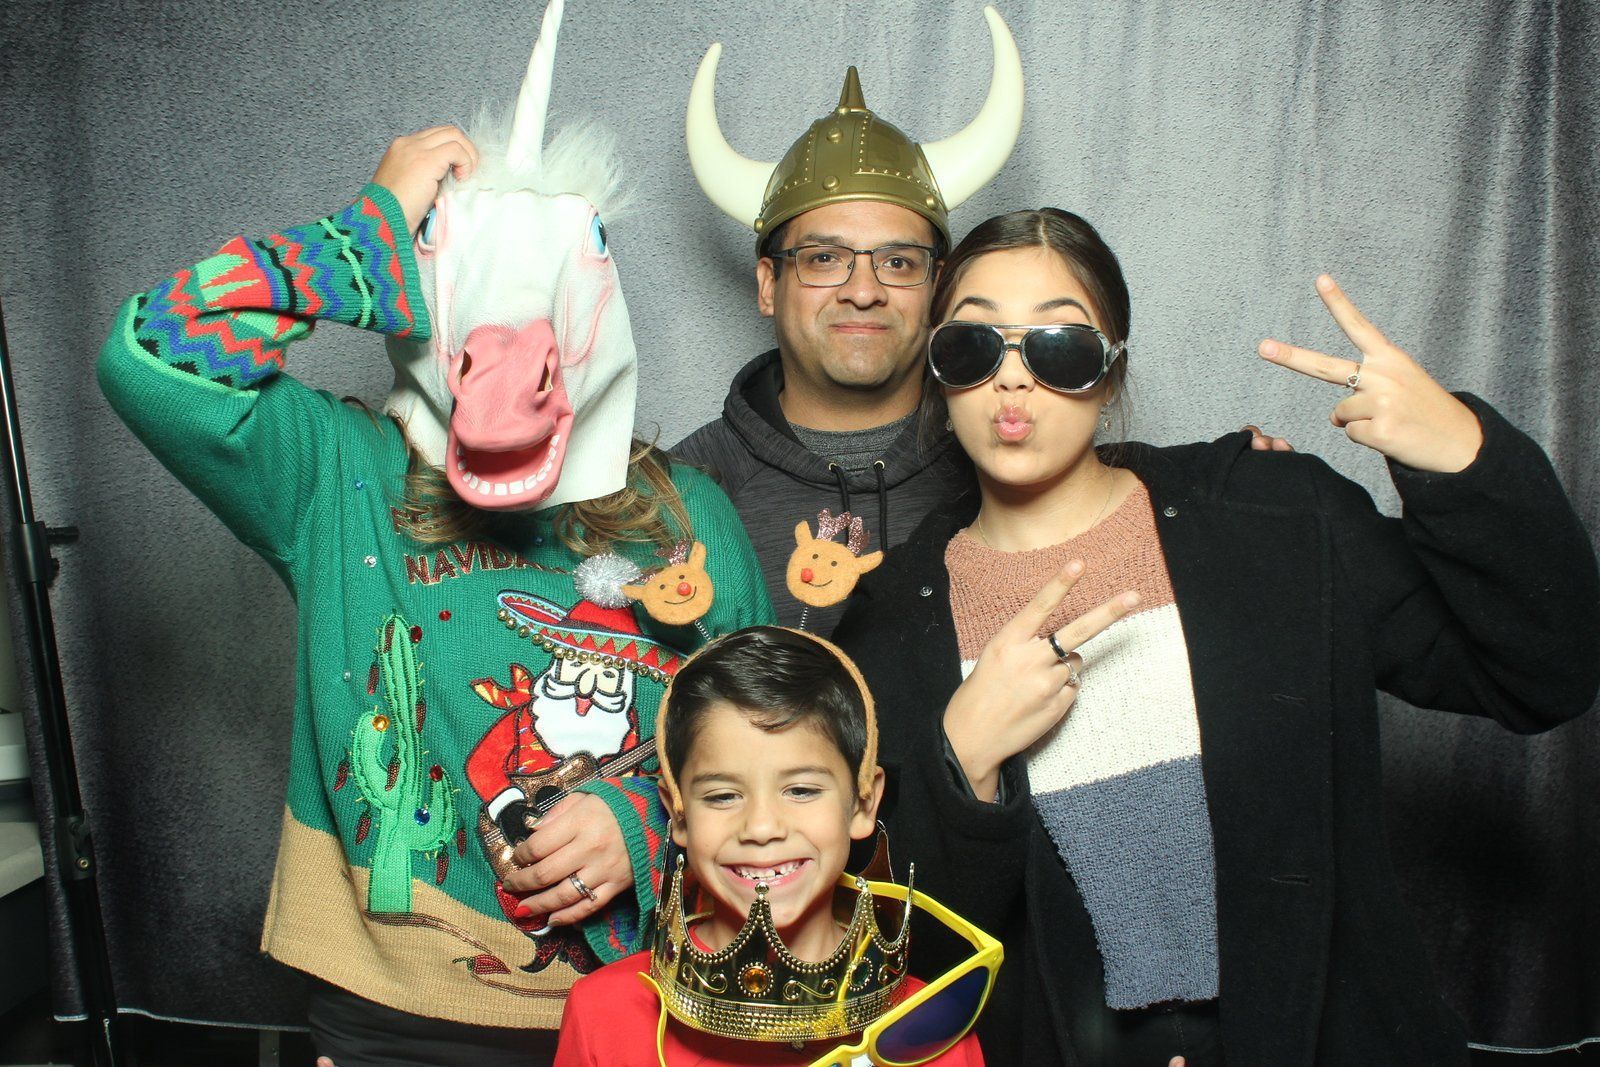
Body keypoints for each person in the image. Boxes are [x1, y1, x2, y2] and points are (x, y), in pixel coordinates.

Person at [97, 9, 772, 1063]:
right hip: (395, 1024)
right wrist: (356, 238)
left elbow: (767, 754)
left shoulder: (694, 520)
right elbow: (151, 358)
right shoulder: (336, 478)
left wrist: (642, 825)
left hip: (654, 1011)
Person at [830, 207, 1600, 1065]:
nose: (1014, 382)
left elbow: (1546, 673)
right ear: (939, 372)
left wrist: (1464, 453)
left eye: (1060, 347)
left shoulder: (1271, 516)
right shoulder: (889, 621)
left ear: (1112, 374)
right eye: (973, 347)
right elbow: (899, 962)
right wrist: (960, 762)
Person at [672, 14, 1289, 632]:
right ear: (768, 285)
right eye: (824, 259)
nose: (864, 291)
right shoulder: (673, 499)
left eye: (897, 261)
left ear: (939, 287)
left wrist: (1233, 485)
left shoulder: (1015, 456)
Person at [554, 626, 988, 1066]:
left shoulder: (933, 1028)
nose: (761, 828)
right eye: (722, 796)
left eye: (801, 790)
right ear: (678, 813)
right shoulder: (603, 1014)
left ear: (862, 803)